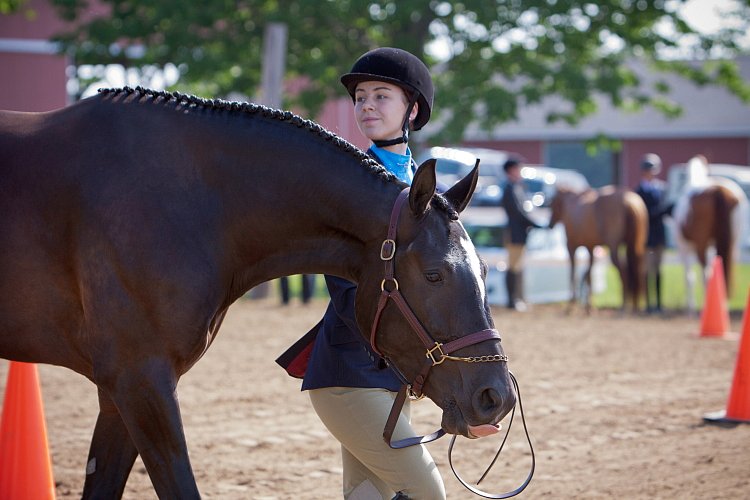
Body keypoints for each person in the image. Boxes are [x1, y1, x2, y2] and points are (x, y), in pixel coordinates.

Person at [276, 47, 497, 500]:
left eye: (381, 96)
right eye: (360, 98)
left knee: (369, 497)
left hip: (391, 382)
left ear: (412, 110)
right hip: (350, 376)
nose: (367, 106)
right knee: (426, 494)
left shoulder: (420, 185)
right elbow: (347, 291)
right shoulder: (354, 184)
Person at [500, 157, 543, 312]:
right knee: (513, 266)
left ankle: (518, 298)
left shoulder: (517, 187)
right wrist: (534, 224)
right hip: (514, 232)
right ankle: (512, 300)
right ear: (511, 170)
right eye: (518, 168)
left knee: (518, 266)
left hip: (520, 232)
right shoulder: (509, 189)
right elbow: (517, 213)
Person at [635, 153, 673, 313]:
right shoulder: (639, 192)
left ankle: (658, 303)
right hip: (646, 236)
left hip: (659, 235)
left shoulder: (662, 189)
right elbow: (646, 214)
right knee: (647, 270)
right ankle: (648, 303)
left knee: (658, 270)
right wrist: (664, 210)